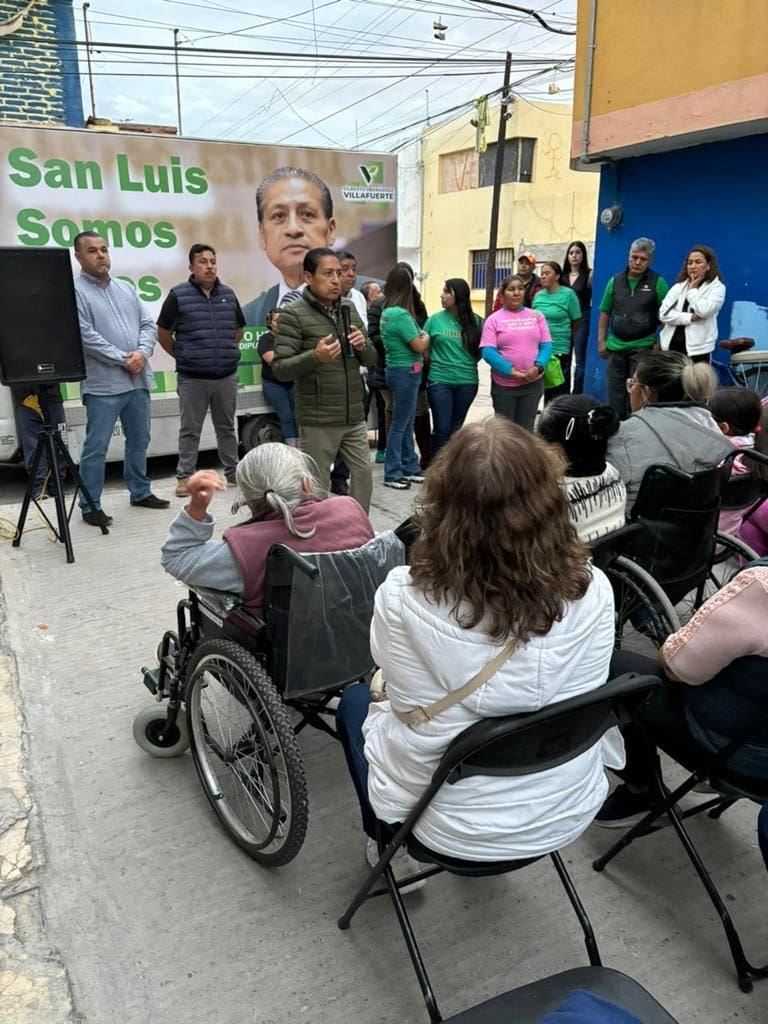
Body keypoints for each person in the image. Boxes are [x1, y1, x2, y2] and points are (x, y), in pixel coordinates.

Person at [335, 418, 618, 873]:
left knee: (354, 703)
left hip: (450, 828)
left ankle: (389, 848)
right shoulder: (596, 587)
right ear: (548, 500)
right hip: (567, 806)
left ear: (443, 506)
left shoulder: (401, 596)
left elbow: (388, 674)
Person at [595, 560, 768, 826]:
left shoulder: (760, 589)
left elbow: (678, 667)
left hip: (740, 758)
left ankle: (641, 793)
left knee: (611, 670)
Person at [160, 444, 374, 618]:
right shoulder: (350, 510)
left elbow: (176, 557)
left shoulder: (245, 548)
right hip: (357, 635)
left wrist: (197, 507)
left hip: (287, 651)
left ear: (247, 498)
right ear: (306, 485)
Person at [73, 231, 168, 527]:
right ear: (78, 257)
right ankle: (90, 505)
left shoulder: (125, 288)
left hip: (137, 381)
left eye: (104, 249)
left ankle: (140, 492)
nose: (101, 255)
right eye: (92, 251)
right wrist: (123, 359)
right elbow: (85, 336)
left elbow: (148, 325)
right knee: (96, 447)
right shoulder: (74, 292)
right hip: (103, 385)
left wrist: (142, 353)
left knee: (139, 440)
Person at [272, 248, 377, 512]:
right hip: (318, 419)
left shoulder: (348, 308)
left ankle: (357, 525)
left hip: (353, 415)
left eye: (338, 273)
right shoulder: (293, 314)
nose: (336, 280)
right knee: (317, 485)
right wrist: (315, 357)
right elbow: (280, 369)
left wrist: (363, 345)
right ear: (308, 277)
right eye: (328, 274)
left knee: (363, 475)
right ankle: (320, 530)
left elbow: (371, 359)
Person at [157, 244, 246, 497]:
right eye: (203, 262)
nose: (209, 266)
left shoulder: (228, 294)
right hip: (193, 379)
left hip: (225, 377)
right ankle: (185, 477)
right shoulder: (178, 295)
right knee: (190, 430)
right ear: (191, 267)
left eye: (213, 261)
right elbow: (163, 333)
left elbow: (238, 330)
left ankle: (233, 472)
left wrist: (223, 351)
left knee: (226, 428)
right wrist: (184, 355)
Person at [606, 351, 732, 511]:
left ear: (646, 393)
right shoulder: (712, 427)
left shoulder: (623, 435)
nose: (630, 390)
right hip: (698, 524)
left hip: (635, 523)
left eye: (633, 383)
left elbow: (603, 494)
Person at [241, 167, 336, 328]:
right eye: (279, 216)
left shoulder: (371, 298)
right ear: (262, 235)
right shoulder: (247, 319)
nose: (293, 229)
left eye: (307, 214)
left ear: (330, 230)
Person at [538, 395, 626, 544]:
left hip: (566, 557)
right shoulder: (613, 474)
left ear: (556, 449)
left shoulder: (550, 498)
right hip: (607, 554)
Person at [598, 238, 669, 420]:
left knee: (638, 391)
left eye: (643, 259)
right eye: (634, 257)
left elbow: (667, 316)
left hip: (643, 346)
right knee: (615, 392)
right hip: (615, 346)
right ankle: (617, 427)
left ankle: (638, 425)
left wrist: (660, 342)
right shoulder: (614, 281)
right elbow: (605, 312)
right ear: (628, 257)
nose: (637, 262)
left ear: (650, 261)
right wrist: (601, 341)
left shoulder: (658, 283)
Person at [479, 274, 552, 432]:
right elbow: (488, 352)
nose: (517, 293)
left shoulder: (536, 316)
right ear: (503, 294)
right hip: (504, 386)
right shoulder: (493, 320)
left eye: (520, 289)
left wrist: (538, 367)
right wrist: (513, 372)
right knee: (505, 431)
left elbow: (546, 345)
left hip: (533, 383)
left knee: (526, 430)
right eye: (511, 289)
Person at [379, 265, 429, 489]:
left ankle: (410, 467)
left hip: (397, 371)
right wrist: (426, 336)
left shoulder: (387, 312)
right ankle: (392, 473)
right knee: (400, 424)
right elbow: (419, 345)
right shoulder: (400, 315)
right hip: (406, 372)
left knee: (406, 422)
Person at [423, 278, 481, 455]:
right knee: (442, 428)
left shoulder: (477, 322)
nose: (442, 295)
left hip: (467, 382)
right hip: (439, 380)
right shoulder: (433, 320)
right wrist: (437, 362)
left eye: (447, 292)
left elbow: (480, 351)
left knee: (456, 430)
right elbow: (424, 348)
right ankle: (436, 466)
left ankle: (452, 466)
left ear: (459, 296)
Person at [708, 388, 768, 537]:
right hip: (727, 537)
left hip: (700, 536)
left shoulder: (720, 455)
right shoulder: (756, 453)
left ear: (723, 427)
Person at [659, 245, 726, 364]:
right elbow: (663, 314)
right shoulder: (678, 287)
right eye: (690, 263)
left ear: (708, 265)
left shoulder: (717, 288)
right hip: (671, 349)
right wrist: (690, 317)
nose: (693, 266)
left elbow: (704, 311)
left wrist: (692, 291)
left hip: (698, 351)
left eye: (698, 262)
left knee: (697, 377)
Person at [533, 260, 581, 402]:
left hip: (559, 348)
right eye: (541, 273)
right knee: (536, 389)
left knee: (557, 394)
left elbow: (576, 321)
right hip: (538, 350)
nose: (543, 276)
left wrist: (563, 334)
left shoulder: (568, 294)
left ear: (557, 276)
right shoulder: (538, 295)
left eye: (547, 273)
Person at [10, 383, 67, 499]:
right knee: (33, 446)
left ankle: (56, 485)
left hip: (51, 397)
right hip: (25, 398)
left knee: (57, 443)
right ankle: (39, 488)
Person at [257, 308, 298, 447]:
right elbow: (272, 360)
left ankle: (301, 447)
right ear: (270, 323)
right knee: (286, 416)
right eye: (276, 320)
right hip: (274, 384)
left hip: (292, 382)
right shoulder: (266, 340)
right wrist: (292, 358)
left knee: (297, 416)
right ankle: (292, 448)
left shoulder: (292, 338)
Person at [561, 241, 593, 395]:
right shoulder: (562, 277)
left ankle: (577, 394)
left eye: (578, 252)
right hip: (564, 322)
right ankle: (563, 394)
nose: (574, 256)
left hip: (582, 320)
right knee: (564, 360)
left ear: (583, 255)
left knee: (580, 361)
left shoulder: (589, 275)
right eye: (571, 253)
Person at [338, 249, 368, 322]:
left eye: (354, 269)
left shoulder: (359, 296)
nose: (351, 274)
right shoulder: (326, 298)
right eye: (345, 269)